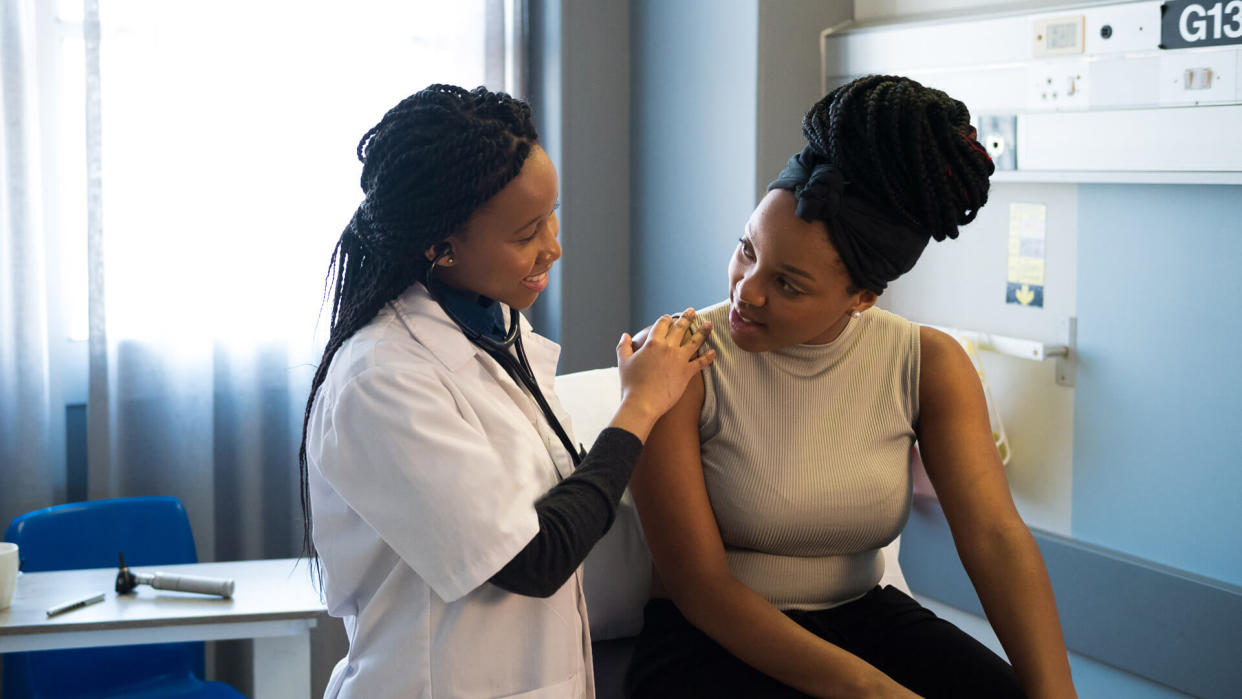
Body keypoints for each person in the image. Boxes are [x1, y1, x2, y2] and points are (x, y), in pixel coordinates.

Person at [624, 75, 1077, 698]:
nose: (746, 290)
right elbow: (699, 588)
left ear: (861, 298)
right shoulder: (679, 356)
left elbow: (997, 541)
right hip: (709, 640)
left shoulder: (927, 363)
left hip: (865, 618)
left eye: (788, 284)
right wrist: (870, 691)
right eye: (746, 250)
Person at [297, 84, 715, 698]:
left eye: (552, 215)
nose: (554, 245)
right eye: (526, 233)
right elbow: (536, 559)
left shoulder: (494, 326)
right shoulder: (380, 379)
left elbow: (558, 500)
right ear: (441, 247)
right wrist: (641, 405)